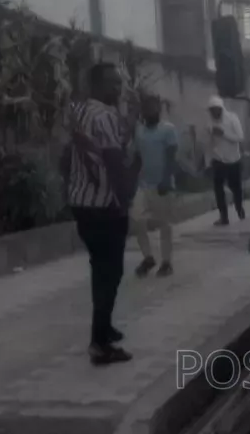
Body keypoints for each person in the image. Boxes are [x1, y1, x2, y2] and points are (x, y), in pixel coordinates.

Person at [67, 62, 136, 364]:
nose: (117, 90)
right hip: (105, 206)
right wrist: (124, 202)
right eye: (112, 84)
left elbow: (63, 157)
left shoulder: (78, 111)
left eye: (119, 84)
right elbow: (114, 161)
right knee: (111, 271)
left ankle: (104, 328)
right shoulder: (105, 116)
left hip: (82, 204)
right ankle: (99, 343)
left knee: (101, 269)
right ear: (96, 85)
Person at [132, 94, 179, 277]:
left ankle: (167, 262)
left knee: (164, 224)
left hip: (162, 184)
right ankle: (148, 258)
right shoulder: (139, 131)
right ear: (143, 111)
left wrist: (166, 179)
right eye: (147, 108)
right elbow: (137, 157)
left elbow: (171, 156)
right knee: (136, 220)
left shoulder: (168, 130)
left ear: (158, 109)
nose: (150, 111)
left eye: (153, 107)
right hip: (144, 184)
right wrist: (130, 179)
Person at [206, 94, 246, 225]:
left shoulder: (232, 118)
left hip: (233, 159)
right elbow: (210, 142)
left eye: (216, 109)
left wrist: (224, 134)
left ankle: (239, 209)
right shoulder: (210, 122)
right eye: (212, 110)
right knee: (218, 188)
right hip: (219, 159)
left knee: (236, 188)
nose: (214, 113)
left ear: (221, 108)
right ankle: (224, 216)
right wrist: (208, 160)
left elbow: (240, 137)